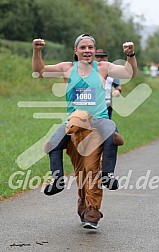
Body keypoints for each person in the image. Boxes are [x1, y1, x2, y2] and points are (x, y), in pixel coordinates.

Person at [32, 33, 137, 197]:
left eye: (90, 47)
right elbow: (39, 71)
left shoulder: (103, 67)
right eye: (83, 47)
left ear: (94, 50)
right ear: (76, 50)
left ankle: (108, 175)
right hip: (74, 120)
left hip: (99, 119)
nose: (87, 50)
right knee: (53, 143)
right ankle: (57, 180)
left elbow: (129, 73)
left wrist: (130, 55)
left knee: (112, 132)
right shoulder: (67, 68)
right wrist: (37, 51)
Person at [95, 49, 121, 119]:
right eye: (97, 57)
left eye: (102, 57)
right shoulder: (89, 70)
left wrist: (117, 91)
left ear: (106, 58)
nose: (100, 59)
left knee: (107, 125)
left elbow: (117, 86)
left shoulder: (112, 72)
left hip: (107, 104)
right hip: (93, 104)